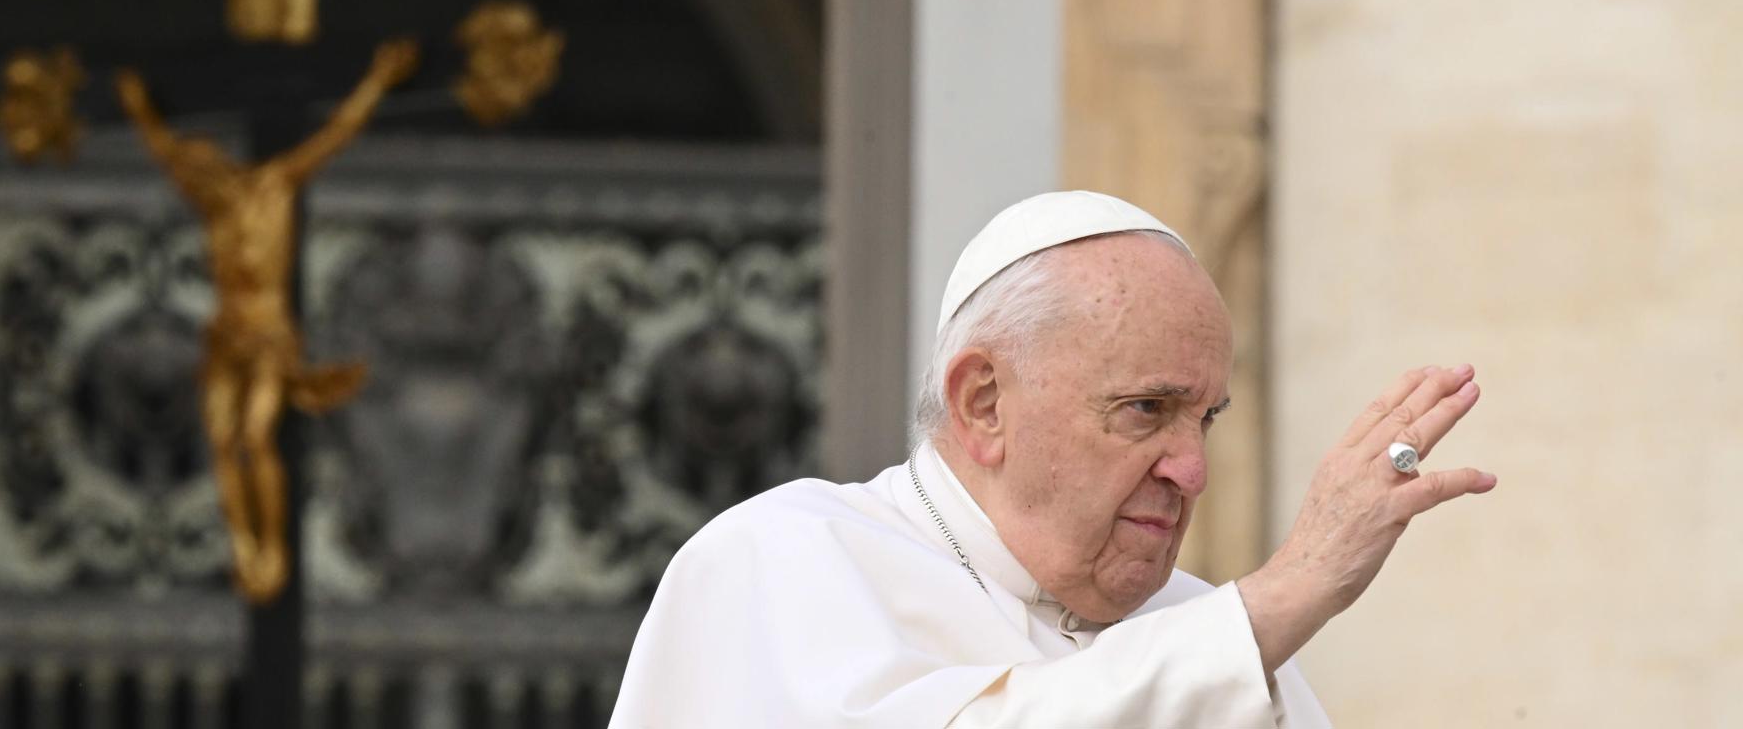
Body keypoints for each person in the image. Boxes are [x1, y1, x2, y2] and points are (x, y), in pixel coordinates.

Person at [611, 191, 1495, 726]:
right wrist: (1287, 591)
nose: (1190, 468)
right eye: (1147, 410)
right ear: (984, 403)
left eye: (1206, 420)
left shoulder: (1196, 621)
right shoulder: (787, 558)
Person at [115, 38, 419, 601]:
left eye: (199, 163)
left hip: (266, 333)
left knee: (256, 437)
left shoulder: (274, 185)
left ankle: (272, 549)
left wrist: (377, 80)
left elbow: (336, 135)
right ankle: (247, 548)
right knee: (222, 436)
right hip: (225, 334)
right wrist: (137, 107)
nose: (192, 172)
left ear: (215, 160)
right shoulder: (213, 201)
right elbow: (161, 149)